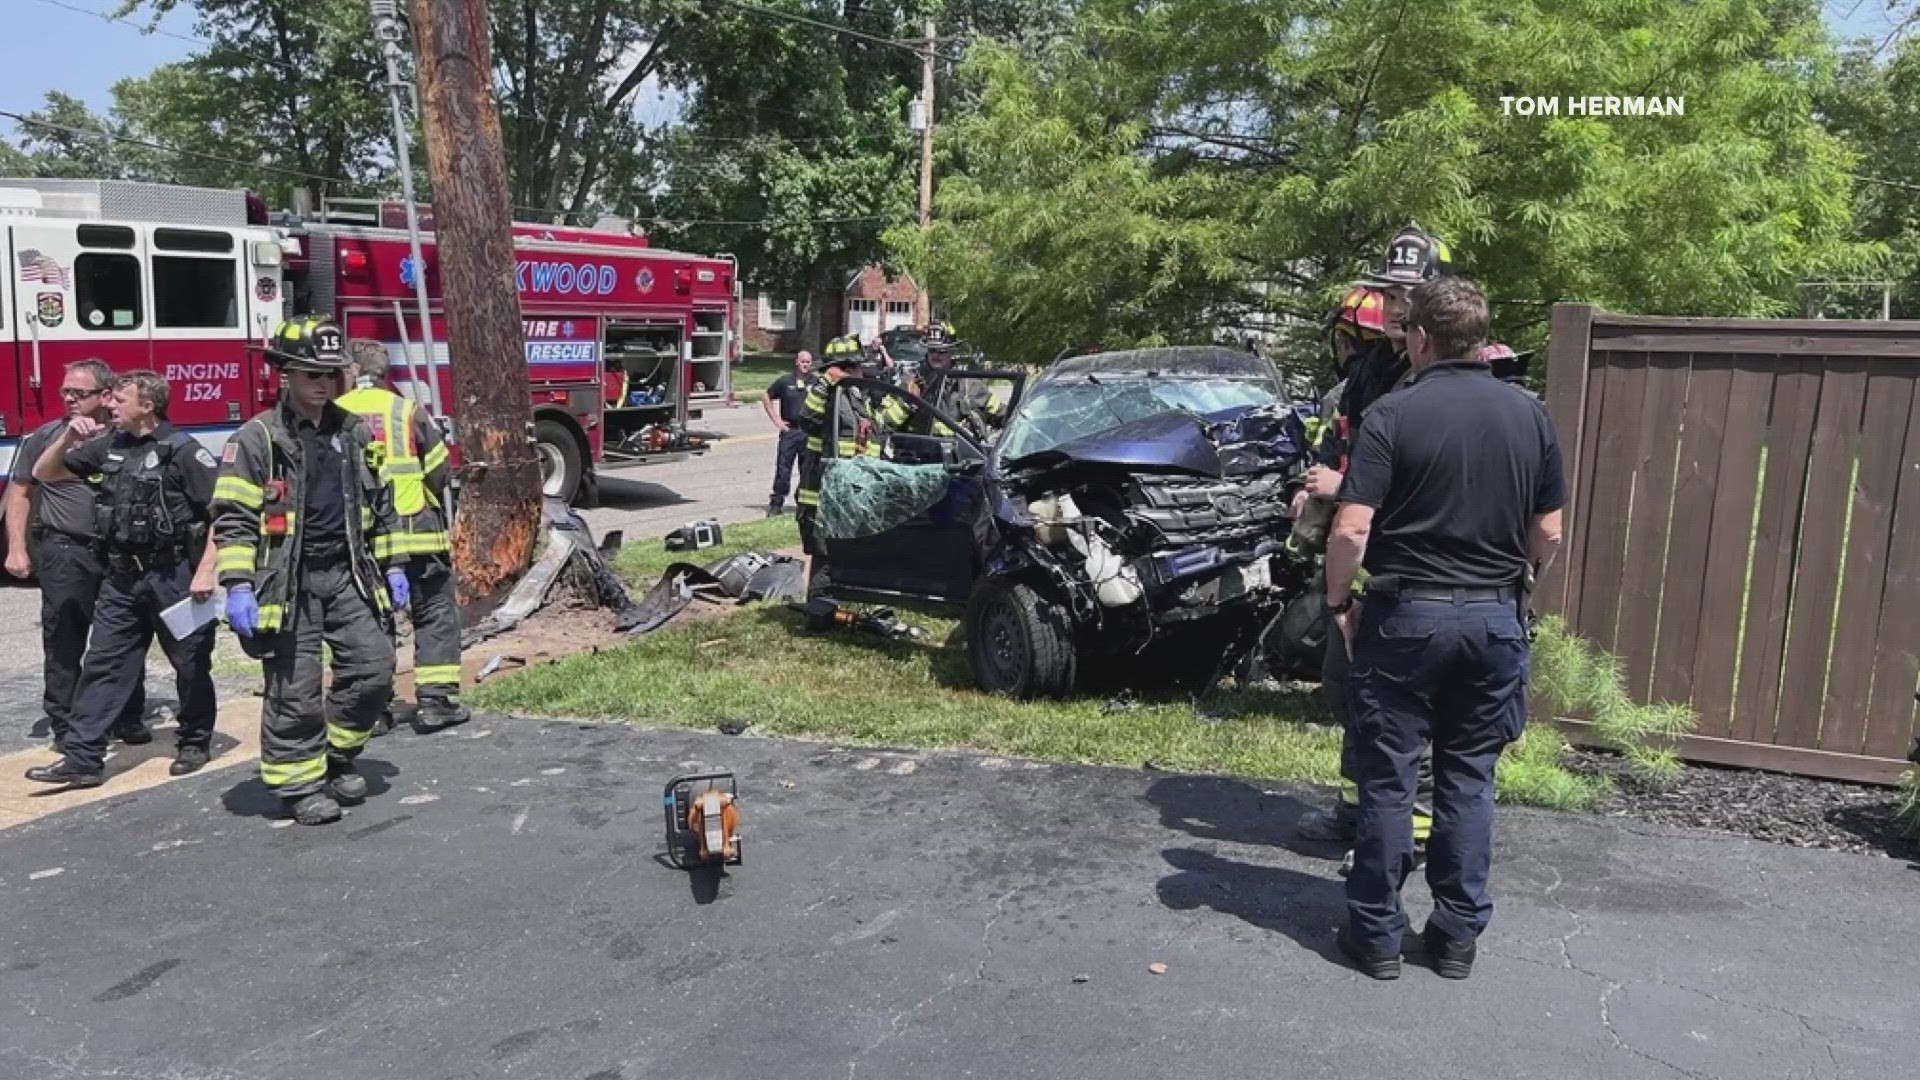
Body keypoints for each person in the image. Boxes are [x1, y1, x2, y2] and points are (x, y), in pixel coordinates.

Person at [1323, 275, 1564, 980]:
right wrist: (1518, 586)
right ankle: (1456, 938)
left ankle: (1374, 936)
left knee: (1391, 778)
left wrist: (1341, 605)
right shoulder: (1529, 417)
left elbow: (1352, 525)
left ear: (1419, 338)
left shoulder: (1394, 415)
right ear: (1478, 336)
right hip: (1492, 615)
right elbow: (1548, 530)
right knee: (1468, 779)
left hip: (1405, 615)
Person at [1295, 227, 1456, 871]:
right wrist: (1314, 484)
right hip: (1361, 562)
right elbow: (1343, 444)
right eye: (1389, 292)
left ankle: (1405, 837)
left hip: (1411, 569)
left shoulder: (1448, 378)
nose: (1395, 305)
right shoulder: (1371, 369)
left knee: (1405, 710)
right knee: (1350, 689)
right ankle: (1356, 811)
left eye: (1410, 294)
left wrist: (1346, 485)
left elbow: (1425, 481)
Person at [213, 316, 405, 826]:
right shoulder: (258, 439)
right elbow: (232, 519)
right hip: (287, 582)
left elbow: (380, 505)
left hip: (348, 575)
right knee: (295, 689)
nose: (324, 385)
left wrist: (396, 565)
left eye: (332, 375)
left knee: (374, 669)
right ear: (285, 375)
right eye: (311, 375)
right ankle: (299, 785)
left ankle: (335, 757)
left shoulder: (353, 431)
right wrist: (237, 586)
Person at [23, 371, 222, 787]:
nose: (109, 405)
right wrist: (67, 439)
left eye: (119, 399)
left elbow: (222, 515)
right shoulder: (108, 446)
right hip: (122, 578)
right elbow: (44, 473)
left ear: (147, 407)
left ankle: (194, 741)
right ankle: (83, 759)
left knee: (189, 663)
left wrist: (207, 571)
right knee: (103, 665)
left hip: (175, 576)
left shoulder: (184, 452)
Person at [5, 359, 148, 750]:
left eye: (79, 393)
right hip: (66, 550)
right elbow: (19, 491)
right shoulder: (47, 435)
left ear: (105, 396)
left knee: (122, 636)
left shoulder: (128, 436)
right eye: (65, 391)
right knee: (64, 639)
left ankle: (127, 714)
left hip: (117, 552)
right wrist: (17, 548)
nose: (69, 398)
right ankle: (66, 724)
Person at [339, 339, 467, 733]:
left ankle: (375, 708)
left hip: (365, 539)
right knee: (435, 612)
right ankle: (435, 703)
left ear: (352, 372)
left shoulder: (333, 415)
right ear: (383, 373)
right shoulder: (405, 409)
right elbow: (439, 469)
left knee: (372, 618)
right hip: (417, 530)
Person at [794, 343, 881, 559]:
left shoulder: (855, 396)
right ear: (844, 370)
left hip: (846, 488)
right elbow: (806, 418)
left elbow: (874, 432)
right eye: (857, 368)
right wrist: (825, 383)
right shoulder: (830, 396)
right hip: (821, 491)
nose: (862, 373)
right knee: (825, 563)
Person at [763, 350, 815, 517]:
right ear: (796, 362)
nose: (805, 365)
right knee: (783, 469)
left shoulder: (817, 382)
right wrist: (777, 421)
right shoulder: (785, 381)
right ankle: (776, 503)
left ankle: (803, 504)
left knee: (807, 470)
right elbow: (766, 396)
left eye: (808, 362)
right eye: (803, 361)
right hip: (790, 432)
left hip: (809, 432)